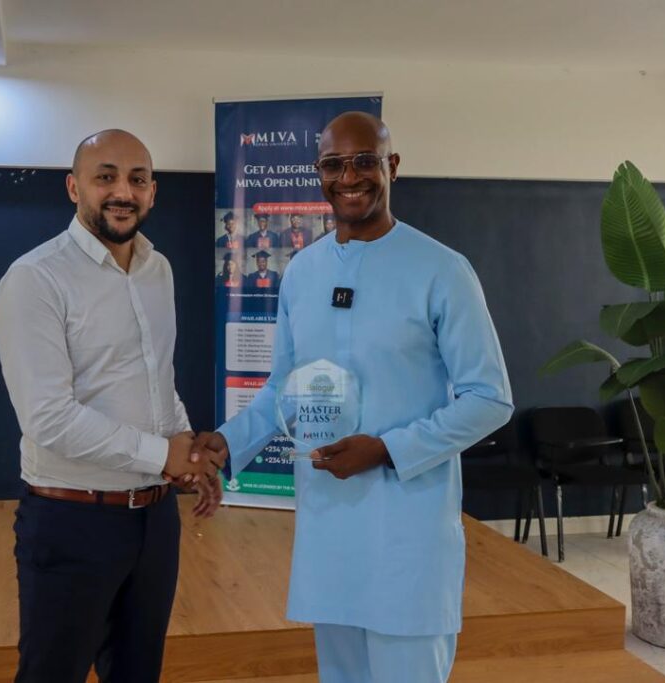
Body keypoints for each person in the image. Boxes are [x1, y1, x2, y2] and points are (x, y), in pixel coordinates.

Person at [191, 113, 512, 683]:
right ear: (319, 174)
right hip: (330, 526)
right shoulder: (303, 272)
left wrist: (387, 449)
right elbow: (282, 391)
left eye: (365, 160)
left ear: (391, 167)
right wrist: (224, 443)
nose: (349, 176)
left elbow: (489, 397)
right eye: (334, 164)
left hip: (407, 526)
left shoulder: (441, 270)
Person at [0, 129, 225, 683]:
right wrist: (161, 455)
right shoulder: (35, 278)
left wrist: (187, 453)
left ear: (153, 192)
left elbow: (156, 380)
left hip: (153, 522)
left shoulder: (157, 269)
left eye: (137, 179)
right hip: (72, 521)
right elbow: (48, 417)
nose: (123, 190)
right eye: (106, 177)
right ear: (74, 187)